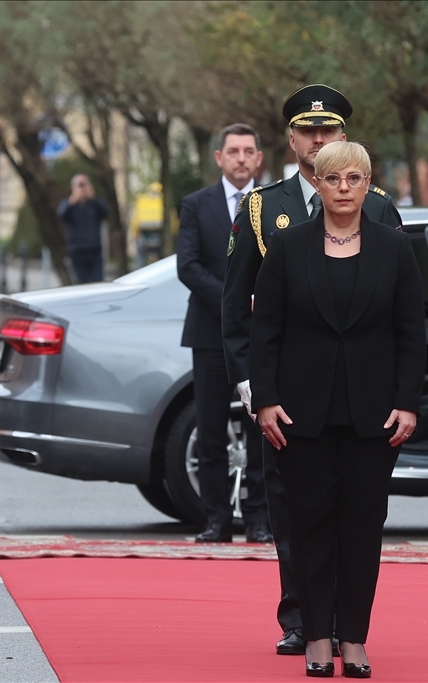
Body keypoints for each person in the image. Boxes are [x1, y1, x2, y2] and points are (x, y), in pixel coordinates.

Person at [221, 84, 402, 657]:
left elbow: (402, 314)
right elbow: (237, 309)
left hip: (358, 395)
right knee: (293, 509)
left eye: (329, 130)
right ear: (293, 138)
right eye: (307, 130)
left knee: (354, 514)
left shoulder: (377, 206)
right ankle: (301, 617)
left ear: (344, 137)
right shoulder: (261, 208)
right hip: (285, 391)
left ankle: (346, 626)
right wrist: (254, 387)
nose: (319, 139)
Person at [249, 141, 425, 679]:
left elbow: (411, 335)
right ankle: (317, 638)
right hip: (301, 414)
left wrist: (408, 403)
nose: (344, 188)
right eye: (333, 179)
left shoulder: (395, 250)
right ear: (318, 186)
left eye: (354, 178)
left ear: (369, 184)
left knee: (362, 529)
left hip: (374, 416)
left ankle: (354, 638)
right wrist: (267, 401)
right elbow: (266, 332)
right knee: (309, 526)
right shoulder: (287, 247)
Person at [176, 124, 273, 545]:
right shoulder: (197, 205)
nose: (240, 158)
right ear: (219, 157)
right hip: (210, 334)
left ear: (259, 158)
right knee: (211, 429)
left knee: (261, 430)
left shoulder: (274, 203)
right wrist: (238, 299)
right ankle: (215, 519)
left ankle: (259, 519)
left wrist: (260, 300)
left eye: (248, 151)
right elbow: (189, 266)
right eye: (232, 151)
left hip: (261, 336)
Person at [57, 174, 107, 283]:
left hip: (94, 249)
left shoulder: (94, 204)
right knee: (80, 283)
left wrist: (92, 197)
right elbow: (61, 215)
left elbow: (105, 212)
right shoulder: (69, 204)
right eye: (79, 185)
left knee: (98, 282)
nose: (82, 188)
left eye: (85, 185)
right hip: (77, 250)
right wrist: (73, 199)